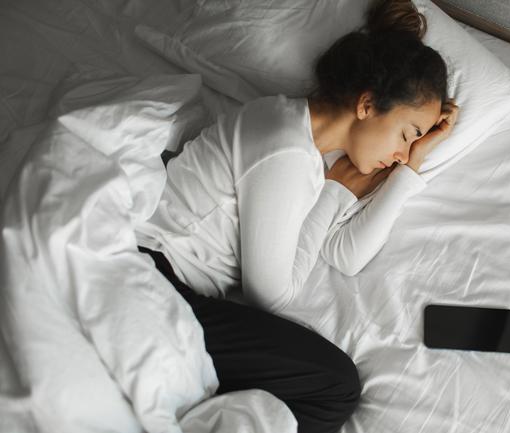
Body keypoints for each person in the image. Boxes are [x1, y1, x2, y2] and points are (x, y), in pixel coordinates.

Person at [136, 0, 459, 432]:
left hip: (170, 284)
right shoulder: (284, 149)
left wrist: (409, 169)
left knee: (330, 385)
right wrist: (335, 192)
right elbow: (271, 298)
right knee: (334, 387)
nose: (400, 154)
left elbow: (344, 255)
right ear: (367, 104)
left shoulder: (302, 149)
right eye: (406, 135)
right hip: (155, 278)